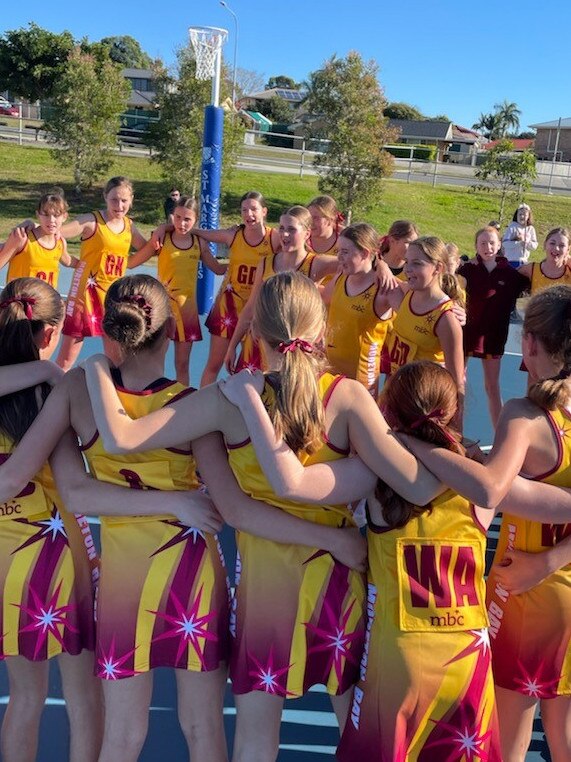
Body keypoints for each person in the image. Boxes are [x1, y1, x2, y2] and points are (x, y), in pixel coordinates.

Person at [81, 271, 445, 761]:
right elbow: (419, 485)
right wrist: (390, 458)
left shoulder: (229, 401)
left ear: (256, 334)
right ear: (322, 331)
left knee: (255, 738)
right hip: (340, 584)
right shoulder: (348, 399)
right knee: (357, 730)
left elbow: (130, 442)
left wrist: (99, 367)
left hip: (265, 594)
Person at [397, 286, 571, 762]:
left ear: (530, 344)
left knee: (508, 736)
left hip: (531, 598)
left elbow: (492, 489)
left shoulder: (527, 415)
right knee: (564, 733)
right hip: (558, 583)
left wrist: (419, 445)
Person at [0, 278, 100, 762]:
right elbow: (87, 466)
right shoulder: (52, 394)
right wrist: (53, 377)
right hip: (60, 552)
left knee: (25, 694)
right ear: (50, 332)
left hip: (5, 556)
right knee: (82, 694)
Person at [224, 205, 338, 373]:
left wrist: (381, 267)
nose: (284, 235)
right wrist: (232, 346)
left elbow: (354, 260)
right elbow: (250, 308)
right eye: (282, 228)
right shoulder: (267, 262)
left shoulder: (315, 264)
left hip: (293, 347)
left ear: (307, 234)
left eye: (291, 229)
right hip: (260, 342)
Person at [54, 176, 151, 372]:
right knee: (67, 358)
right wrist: (35, 225)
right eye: (114, 199)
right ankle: (51, 393)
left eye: (124, 200)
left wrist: (130, 262)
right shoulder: (92, 221)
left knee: (116, 357)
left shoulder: (130, 227)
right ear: (105, 196)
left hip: (115, 297)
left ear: (131, 200)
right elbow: (60, 231)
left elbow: (149, 249)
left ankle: (113, 394)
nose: (119, 205)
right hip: (85, 295)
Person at [128, 196, 227, 385]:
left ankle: (181, 402)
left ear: (195, 220)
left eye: (187, 219)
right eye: (178, 217)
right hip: (160, 309)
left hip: (186, 312)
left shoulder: (199, 243)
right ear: (172, 216)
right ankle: (151, 395)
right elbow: (133, 262)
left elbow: (217, 268)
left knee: (182, 364)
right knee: (154, 361)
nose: (182, 223)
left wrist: (242, 263)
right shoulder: (163, 237)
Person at [196, 191, 281, 386]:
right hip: (229, 306)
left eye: (254, 209)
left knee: (253, 368)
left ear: (264, 212)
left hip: (257, 309)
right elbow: (198, 232)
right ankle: (201, 406)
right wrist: (166, 228)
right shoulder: (233, 235)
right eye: (244, 210)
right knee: (214, 364)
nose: (249, 214)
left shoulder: (274, 238)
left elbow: (300, 245)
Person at [384, 236, 465, 426]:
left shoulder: (446, 318)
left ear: (438, 268)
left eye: (417, 263)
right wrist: (380, 266)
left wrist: (456, 429)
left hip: (422, 408)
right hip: (395, 396)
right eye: (407, 262)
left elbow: (457, 381)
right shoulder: (407, 292)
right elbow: (374, 271)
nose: (408, 269)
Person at [460, 226, 529, 428]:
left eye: (492, 242)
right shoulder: (466, 270)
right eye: (482, 243)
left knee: (492, 387)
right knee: (457, 385)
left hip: (493, 339)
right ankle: (453, 430)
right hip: (465, 336)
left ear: (499, 245)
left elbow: (539, 277)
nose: (487, 247)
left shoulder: (511, 275)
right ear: (475, 246)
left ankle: (500, 434)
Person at [324, 223, 392, 394]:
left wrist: (451, 313)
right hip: (330, 370)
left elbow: (419, 299)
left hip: (361, 379)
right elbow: (320, 298)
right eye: (338, 251)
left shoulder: (383, 288)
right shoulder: (341, 277)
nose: (339, 257)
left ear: (365, 253)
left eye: (345, 252)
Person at [0, 190, 76, 289]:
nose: (51, 220)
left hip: (46, 302)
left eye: (56, 215)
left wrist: (91, 262)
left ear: (64, 217)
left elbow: (68, 261)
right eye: (46, 214)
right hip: (19, 301)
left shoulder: (60, 242)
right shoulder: (23, 239)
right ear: (38, 215)